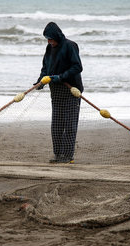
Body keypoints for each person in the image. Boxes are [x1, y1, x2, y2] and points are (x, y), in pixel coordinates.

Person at [35, 22, 84, 164]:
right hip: (55, 90)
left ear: (57, 36)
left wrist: (61, 77)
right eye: (47, 39)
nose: (49, 42)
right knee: (56, 124)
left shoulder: (70, 46)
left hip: (71, 90)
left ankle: (68, 156)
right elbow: (45, 67)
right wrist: (40, 81)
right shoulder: (49, 48)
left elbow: (77, 67)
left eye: (51, 39)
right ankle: (58, 154)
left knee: (69, 124)